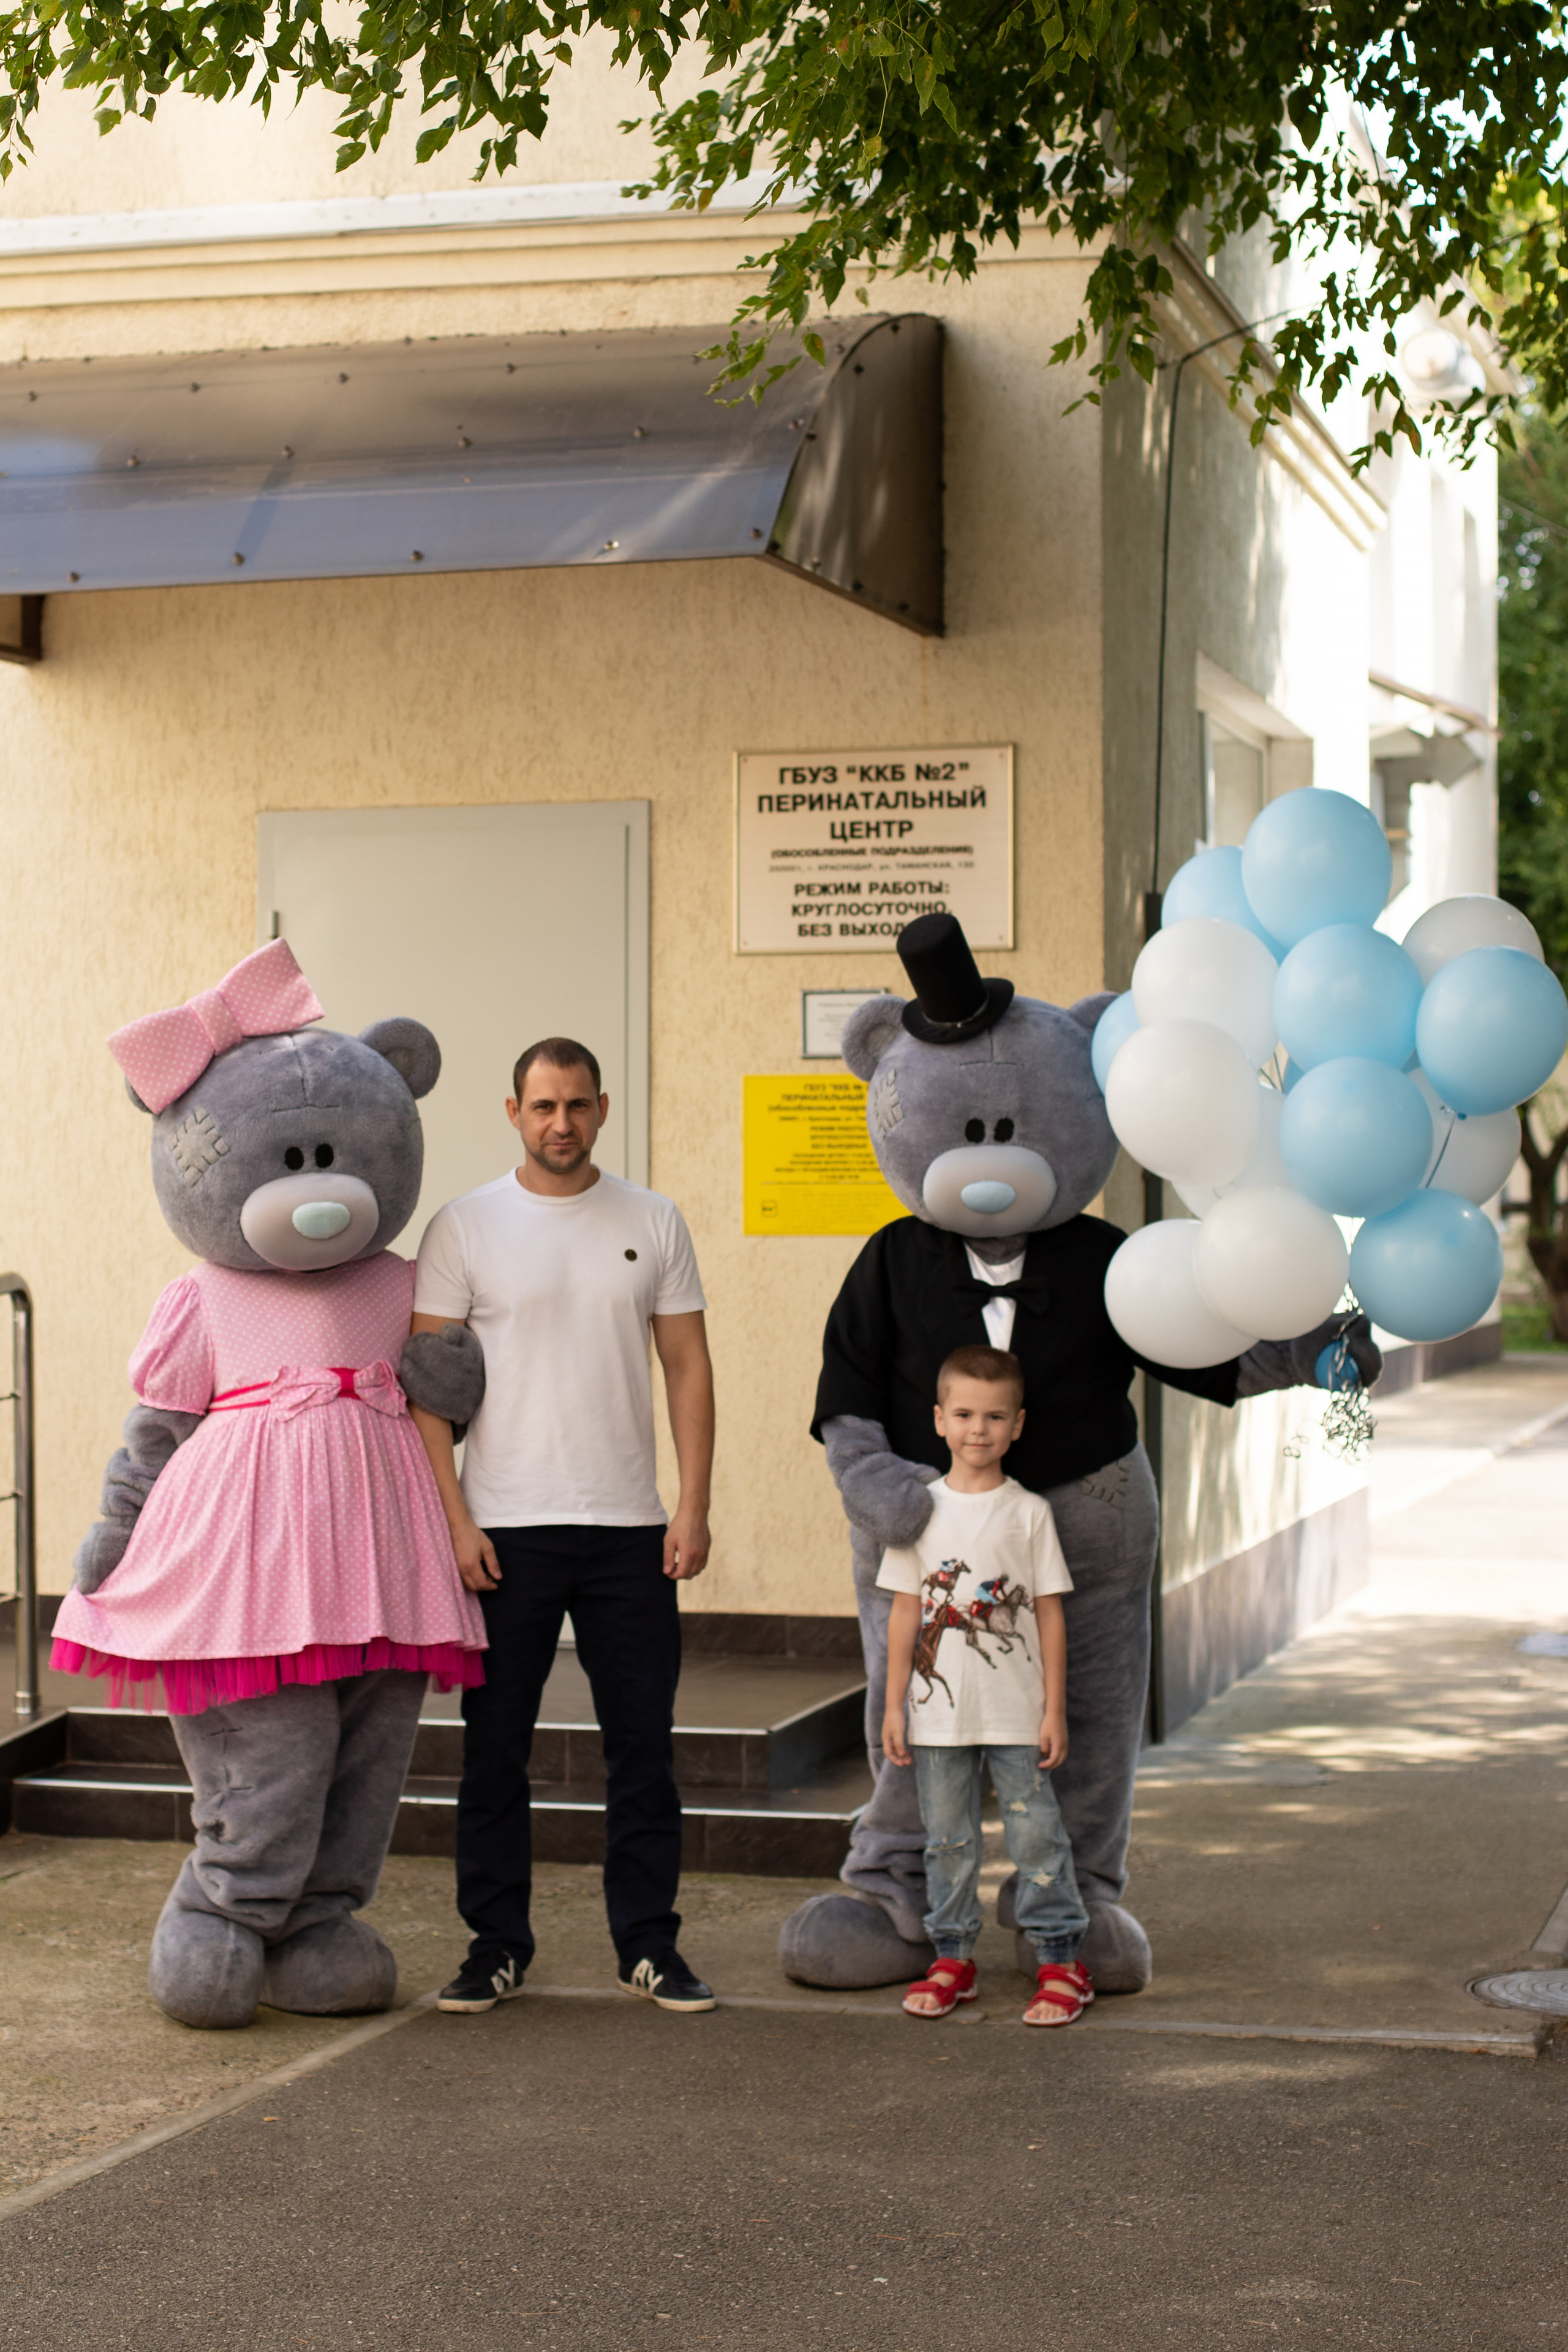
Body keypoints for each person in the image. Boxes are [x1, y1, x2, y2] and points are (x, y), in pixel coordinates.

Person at [409, 1036, 718, 2015]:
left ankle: (650, 1945)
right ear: (514, 1112)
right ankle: (495, 1944)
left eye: (578, 1105)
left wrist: (694, 1502)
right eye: (543, 1106)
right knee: (496, 1746)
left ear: (603, 1108)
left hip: (630, 1529)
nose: (561, 1123)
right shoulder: (464, 1227)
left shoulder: (653, 1219)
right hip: (506, 1530)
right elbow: (427, 1389)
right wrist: (454, 1519)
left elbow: (688, 1369)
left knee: (643, 1746)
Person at [879, 1343, 1091, 2027]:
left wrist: (1053, 1708)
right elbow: (905, 1612)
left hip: (1016, 1713)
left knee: (1037, 1837)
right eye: (965, 1414)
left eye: (994, 1417)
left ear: (1017, 1425)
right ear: (939, 1420)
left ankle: (1061, 1959)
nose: (978, 1430)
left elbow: (1050, 1614)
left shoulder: (1027, 1513)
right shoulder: (916, 1512)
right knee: (947, 1840)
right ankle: (953, 1958)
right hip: (938, 1718)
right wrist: (891, 1707)